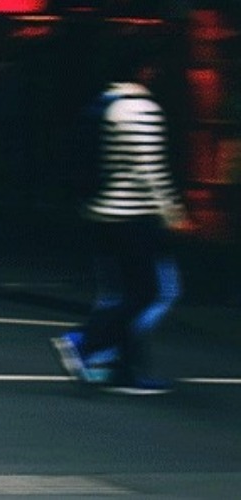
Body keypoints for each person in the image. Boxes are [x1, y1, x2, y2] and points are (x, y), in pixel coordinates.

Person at [52, 45, 193, 396]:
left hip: (101, 213)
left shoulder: (106, 103)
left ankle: (126, 370)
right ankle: (84, 343)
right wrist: (173, 213)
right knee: (147, 292)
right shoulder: (141, 108)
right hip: (133, 215)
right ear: (145, 70)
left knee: (124, 292)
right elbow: (149, 169)